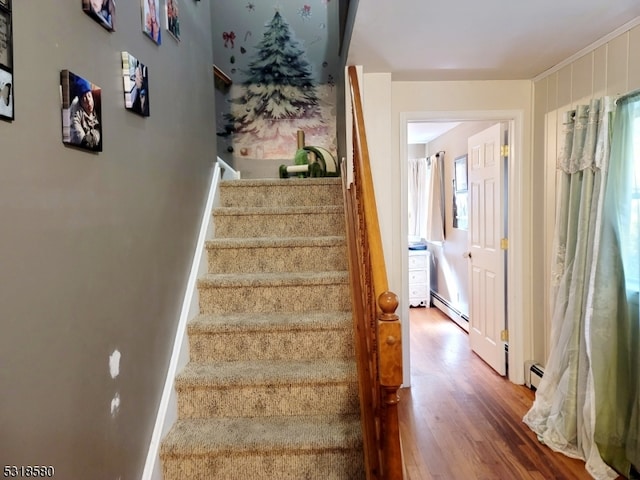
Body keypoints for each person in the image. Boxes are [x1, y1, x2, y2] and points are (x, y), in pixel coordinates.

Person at [70, 77, 101, 150]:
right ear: (80, 103)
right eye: (84, 99)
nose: (89, 101)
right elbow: (80, 139)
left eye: (89, 96)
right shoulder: (77, 114)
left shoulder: (97, 108)